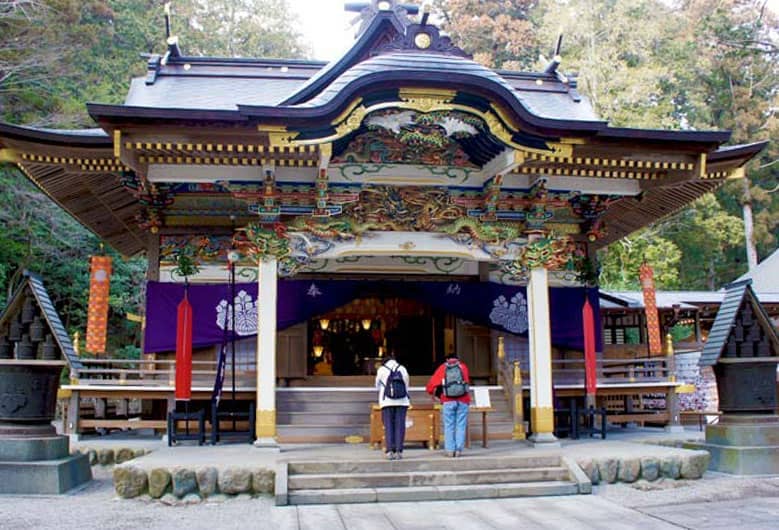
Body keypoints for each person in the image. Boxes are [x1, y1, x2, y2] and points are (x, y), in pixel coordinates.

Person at [426, 352, 471, 457]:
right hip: (463, 400)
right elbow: (467, 382)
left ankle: (450, 450)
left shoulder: (443, 368)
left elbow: (431, 385)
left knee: (449, 425)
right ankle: (459, 449)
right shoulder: (463, 367)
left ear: (447, 360)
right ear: (457, 359)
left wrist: (432, 393)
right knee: (461, 424)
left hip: (447, 400)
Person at [375, 352, 410, 460]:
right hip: (402, 401)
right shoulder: (402, 368)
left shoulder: (381, 369)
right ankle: (399, 450)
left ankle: (390, 450)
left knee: (388, 426)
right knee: (400, 426)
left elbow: (377, 385)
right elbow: (407, 383)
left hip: (386, 402)